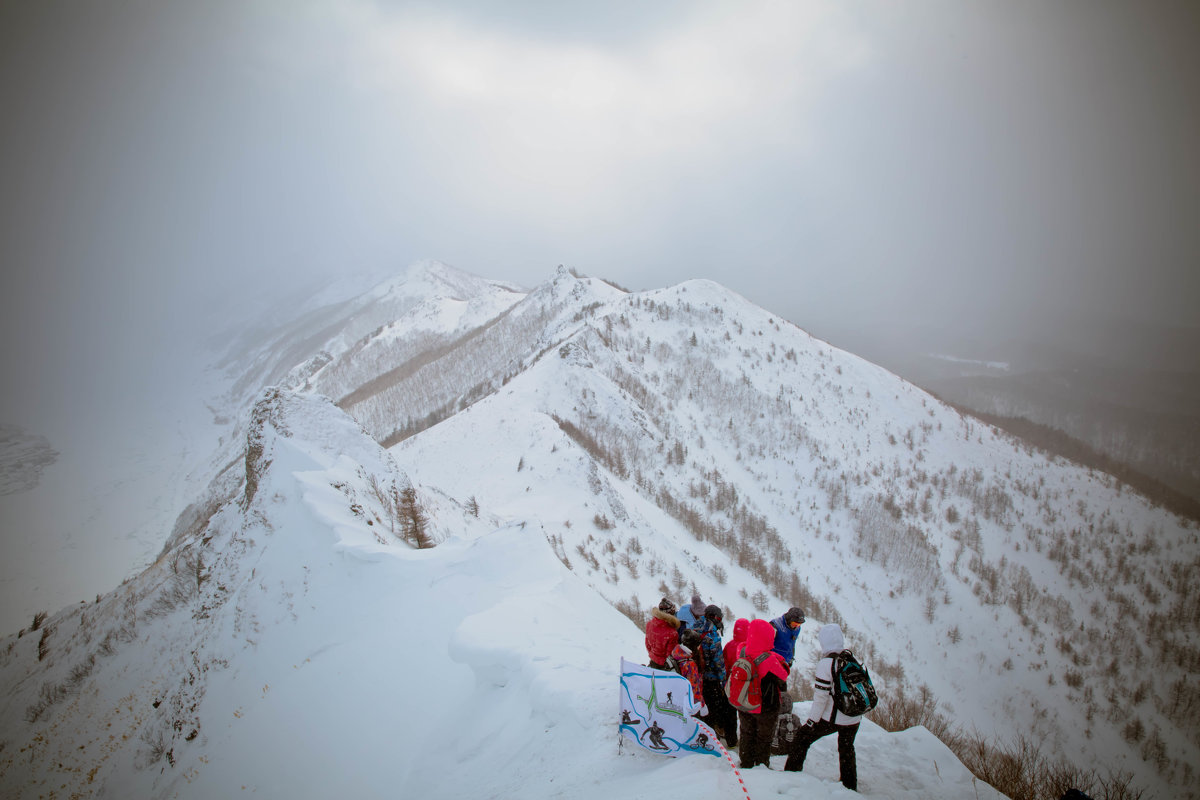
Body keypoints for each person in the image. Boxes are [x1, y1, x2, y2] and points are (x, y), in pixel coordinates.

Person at [783, 623, 863, 791]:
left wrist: (812, 721)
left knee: (802, 738)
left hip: (834, 716)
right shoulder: (849, 657)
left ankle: (790, 774)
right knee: (846, 748)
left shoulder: (826, 663)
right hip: (854, 715)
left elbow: (821, 698)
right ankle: (849, 786)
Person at [736, 618, 789, 769]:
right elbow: (783, 677)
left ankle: (746, 763)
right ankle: (761, 766)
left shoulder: (742, 649)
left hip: (744, 701)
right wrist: (778, 658)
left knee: (746, 734)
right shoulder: (769, 660)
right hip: (765, 705)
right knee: (764, 738)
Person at [697, 605, 737, 747]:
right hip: (712, 678)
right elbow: (718, 661)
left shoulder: (696, 626)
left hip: (698, 677)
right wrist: (723, 679)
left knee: (704, 708)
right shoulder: (712, 635)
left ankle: (704, 735)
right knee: (714, 709)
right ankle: (713, 739)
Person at [672, 629, 707, 716]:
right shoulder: (690, 665)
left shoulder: (676, 652)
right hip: (689, 706)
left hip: (678, 700)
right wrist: (702, 705)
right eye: (698, 645)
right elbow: (694, 690)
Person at [645, 598, 681, 671]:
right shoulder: (672, 632)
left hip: (653, 662)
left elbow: (647, 644)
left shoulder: (649, 624)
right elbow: (671, 654)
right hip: (665, 667)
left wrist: (654, 656)